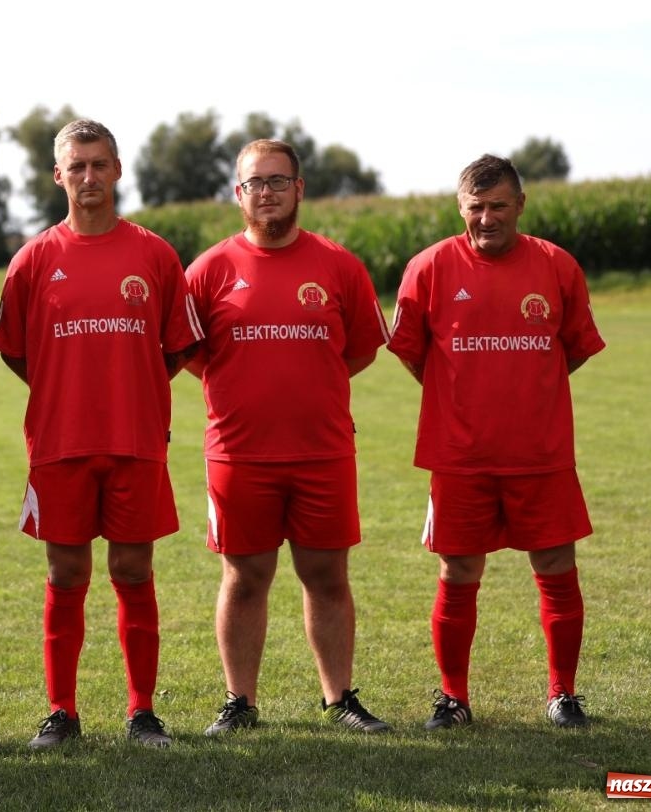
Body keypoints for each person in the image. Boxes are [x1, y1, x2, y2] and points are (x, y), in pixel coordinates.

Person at [0, 118, 203, 749]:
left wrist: (128, 385)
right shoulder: (33, 260)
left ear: (117, 170)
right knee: (64, 575)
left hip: (136, 437)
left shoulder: (155, 254)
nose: (88, 176)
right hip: (60, 442)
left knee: (135, 571)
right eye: (75, 166)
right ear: (58, 176)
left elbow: (173, 349)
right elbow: (15, 352)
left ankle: (142, 711)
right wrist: (67, 389)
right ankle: (62, 712)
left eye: (98, 164)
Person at [386, 154, 605, 730]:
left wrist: (530, 391)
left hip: (541, 453)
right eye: (476, 207)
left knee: (558, 568)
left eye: (499, 206)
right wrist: (461, 398)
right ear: (461, 207)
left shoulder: (557, 265)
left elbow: (575, 346)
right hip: (459, 458)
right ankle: (453, 699)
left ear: (520, 206)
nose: (486, 219)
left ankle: (564, 694)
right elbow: (411, 351)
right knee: (458, 573)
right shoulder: (429, 268)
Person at [184, 139, 391, 737]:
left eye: (279, 181)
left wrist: (309, 380)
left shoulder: (338, 265)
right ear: (238, 193)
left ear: (299, 189)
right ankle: (239, 703)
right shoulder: (209, 270)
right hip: (239, 453)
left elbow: (357, 349)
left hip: (322, 449)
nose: (267, 192)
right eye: (255, 183)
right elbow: (195, 356)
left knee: (327, 577)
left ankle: (340, 698)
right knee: (244, 579)